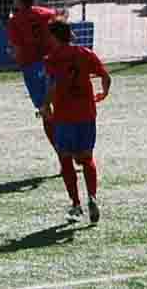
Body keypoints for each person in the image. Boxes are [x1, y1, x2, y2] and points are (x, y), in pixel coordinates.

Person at [40, 20, 111, 223]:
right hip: (87, 114)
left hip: (64, 117)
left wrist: (46, 106)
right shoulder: (85, 53)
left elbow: (52, 86)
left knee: (65, 158)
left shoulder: (51, 59)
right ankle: (92, 197)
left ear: (54, 37)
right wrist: (103, 93)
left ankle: (76, 204)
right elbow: (106, 77)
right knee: (87, 158)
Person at [6, 0, 60, 158]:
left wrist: (13, 54)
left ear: (19, 0)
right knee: (62, 106)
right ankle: (75, 149)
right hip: (53, 63)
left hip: (32, 67)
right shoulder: (48, 13)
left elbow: (18, 49)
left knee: (45, 111)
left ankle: (61, 153)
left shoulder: (15, 21)